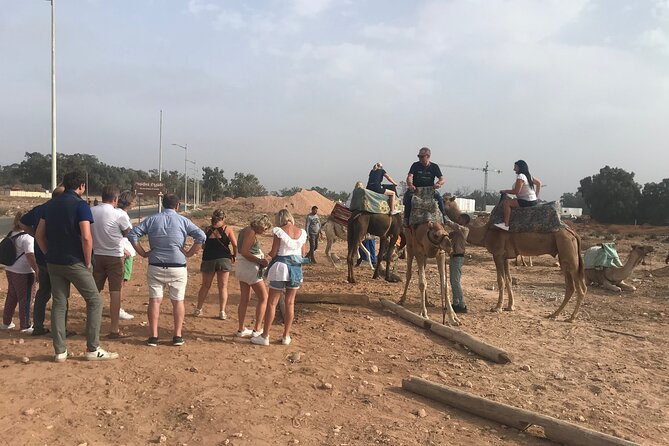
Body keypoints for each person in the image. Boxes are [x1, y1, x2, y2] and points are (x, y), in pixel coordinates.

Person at [35, 170, 119, 362]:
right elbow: (87, 238)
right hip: (74, 261)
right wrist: (88, 262)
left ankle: (60, 351)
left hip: (53, 262)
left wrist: (48, 254)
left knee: (59, 303)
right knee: (95, 301)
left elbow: (39, 235)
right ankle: (92, 347)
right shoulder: (80, 205)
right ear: (81, 186)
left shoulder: (49, 205)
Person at [128, 193, 206, 347]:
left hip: (156, 264)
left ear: (163, 204)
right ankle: (177, 335)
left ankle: (153, 336)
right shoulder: (183, 220)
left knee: (155, 301)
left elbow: (133, 234)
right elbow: (201, 236)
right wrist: (189, 253)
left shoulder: (152, 219)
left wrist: (143, 253)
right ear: (178, 206)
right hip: (177, 266)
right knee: (178, 302)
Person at [252, 209, 307, 346]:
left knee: (272, 302)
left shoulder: (279, 231)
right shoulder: (302, 233)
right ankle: (286, 336)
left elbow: (274, 252)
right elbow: (303, 253)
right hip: (296, 268)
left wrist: (265, 257)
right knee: (290, 303)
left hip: (281, 267)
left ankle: (265, 336)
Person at [19, 185, 65, 336]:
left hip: (41, 257)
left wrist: (36, 236)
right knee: (61, 294)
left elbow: (22, 223)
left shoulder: (40, 208)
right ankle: (60, 329)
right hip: (57, 258)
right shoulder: (59, 210)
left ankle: (38, 326)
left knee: (43, 292)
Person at [90, 186, 132, 338]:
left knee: (94, 292)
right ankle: (114, 328)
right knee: (115, 292)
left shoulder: (91, 211)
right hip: (115, 256)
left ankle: (91, 325)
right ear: (115, 200)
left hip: (97, 255)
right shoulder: (118, 214)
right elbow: (129, 233)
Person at [194, 209, 237, 320]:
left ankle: (198, 309)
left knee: (205, 286)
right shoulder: (228, 229)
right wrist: (234, 255)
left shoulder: (207, 230)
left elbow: (203, 245)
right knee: (223, 287)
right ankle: (222, 311)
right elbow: (235, 245)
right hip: (224, 259)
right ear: (223, 218)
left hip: (208, 259)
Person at [234, 214, 271, 338]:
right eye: (265, 228)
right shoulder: (251, 232)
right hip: (250, 268)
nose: (265, 231)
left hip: (242, 268)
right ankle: (257, 328)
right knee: (264, 298)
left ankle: (241, 329)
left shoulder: (245, 230)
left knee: (245, 298)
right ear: (261, 225)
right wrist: (260, 261)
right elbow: (245, 252)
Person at [1, 212, 38, 332]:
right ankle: (25, 325)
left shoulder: (12, 233)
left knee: (11, 296)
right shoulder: (27, 237)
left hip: (10, 269)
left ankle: (6, 323)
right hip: (24, 272)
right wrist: (37, 270)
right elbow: (30, 256)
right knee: (26, 298)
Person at [494, 160, 542, 231]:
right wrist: (536, 197)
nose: (514, 169)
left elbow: (516, 191)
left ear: (520, 167)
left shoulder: (521, 176)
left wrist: (505, 191)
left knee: (506, 203)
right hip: (533, 201)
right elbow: (539, 183)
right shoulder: (528, 176)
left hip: (526, 201)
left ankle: (505, 224)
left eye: (515, 167)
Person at [403, 147, 447, 225]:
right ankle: (406, 218)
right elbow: (410, 176)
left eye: (421, 156)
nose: (419, 158)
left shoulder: (434, 167)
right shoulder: (415, 165)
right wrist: (410, 184)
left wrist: (439, 184)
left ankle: (444, 216)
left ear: (428, 156)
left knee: (439, 198)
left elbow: (442, 179)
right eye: (419, 156)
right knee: (408, 198)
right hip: (416, 190)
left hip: (429, 190)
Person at [445, 214, 471, 313]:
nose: (457, 219)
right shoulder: (457, 232)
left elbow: (455, 226)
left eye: (459, 218)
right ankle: (455, 303)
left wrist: (447, 220)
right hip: (453, 257)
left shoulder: (464, 230)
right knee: (453, 281)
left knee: (456, 281)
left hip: (458, 257)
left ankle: (462, 304)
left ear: (464, 220)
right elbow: (448, 235)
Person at [117, 190, 136, 320]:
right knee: (120, 283)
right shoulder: (122, 216)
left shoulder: (120, 214)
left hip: (123, 251)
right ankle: (117, 308)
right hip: (124, 253)